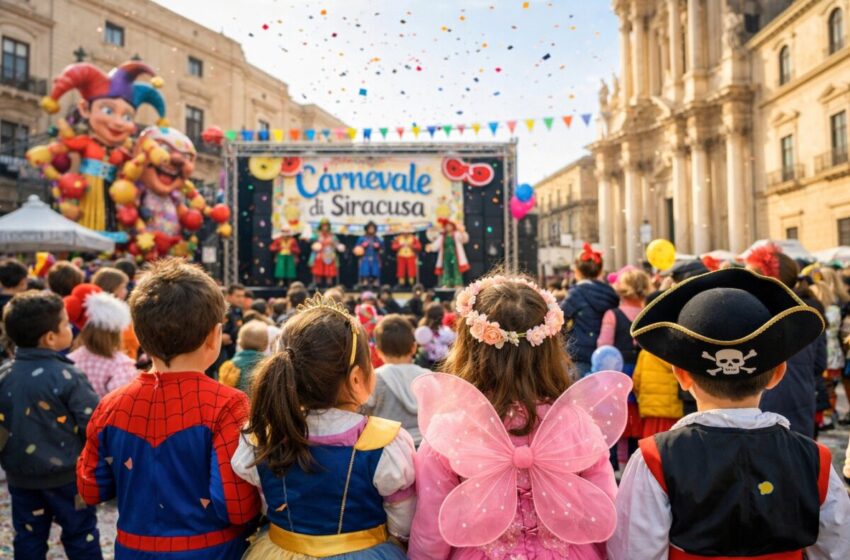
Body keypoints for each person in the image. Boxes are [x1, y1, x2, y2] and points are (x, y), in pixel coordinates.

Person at [610, 268, 850, 559]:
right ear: (777, 374)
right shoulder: (815, 460)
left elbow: (634, 553)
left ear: (682, 376)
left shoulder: (653, 460)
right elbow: (836, 551)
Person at [409, 274, 628, 559]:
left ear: (469, 346)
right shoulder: (576, 422)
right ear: (549, 348)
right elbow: (604, 510)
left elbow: (433, 525)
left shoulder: (452, 427)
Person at [77, 259, 261, 559]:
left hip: (134, 549)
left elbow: (91, 489)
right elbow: (236, 507)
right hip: (213, 550)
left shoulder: (110, 406)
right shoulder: (229, 404)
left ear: (137, 333)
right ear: (214, 336)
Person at [231, 296, 415, 559]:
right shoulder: (383, 442)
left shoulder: (264, 436)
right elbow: (403, 523)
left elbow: (266, 504)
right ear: (355, 378)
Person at [0, 291, 102, 559]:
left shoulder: (4, 375)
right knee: (81, 534)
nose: (70, 327)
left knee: (28, 537)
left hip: (21, 479)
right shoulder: (68, 375)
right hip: (70, 478)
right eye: (66, 323)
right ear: (50, 337)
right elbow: (93, 423)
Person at [755, 253, 827, 437]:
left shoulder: (754, 314)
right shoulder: (811, 313)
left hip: (763, 404)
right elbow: (820, 364)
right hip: (802, 399)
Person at [597, 267, 651, 468]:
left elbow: (604, 345)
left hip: (618, 373)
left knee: (616, 419)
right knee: (637, 421)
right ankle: (635, 462)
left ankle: (615, 464)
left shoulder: (613, 315)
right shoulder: (648, 314)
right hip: (643, 373)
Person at [363, 314, 431, 446]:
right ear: (414, 347)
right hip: (425, 448)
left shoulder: (376, 378)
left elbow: (363, 412)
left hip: (389, 451)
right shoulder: (427, 377)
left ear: (378, 351)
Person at [561, 244, 619, 377]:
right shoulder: (611, 293)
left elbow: (559, 319)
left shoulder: (576, 293)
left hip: (580, 352)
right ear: (600, 271)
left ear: (577, 271)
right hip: (607, 355)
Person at [68, 291, 137, 398]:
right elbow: (122, 400)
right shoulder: (120, 364)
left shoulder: (72, 359)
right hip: (106, 413)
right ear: (116, 334)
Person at [219, 320, 269, 398]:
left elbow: (224, 394)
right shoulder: (270, 365)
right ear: (266, 344)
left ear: (240, 342)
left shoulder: (230, 366)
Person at [415, 302, 456, 369]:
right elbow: (453, 339)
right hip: (441, 365)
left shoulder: (422, 329)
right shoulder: (445, 331)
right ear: (442, 316)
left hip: (424, 364)